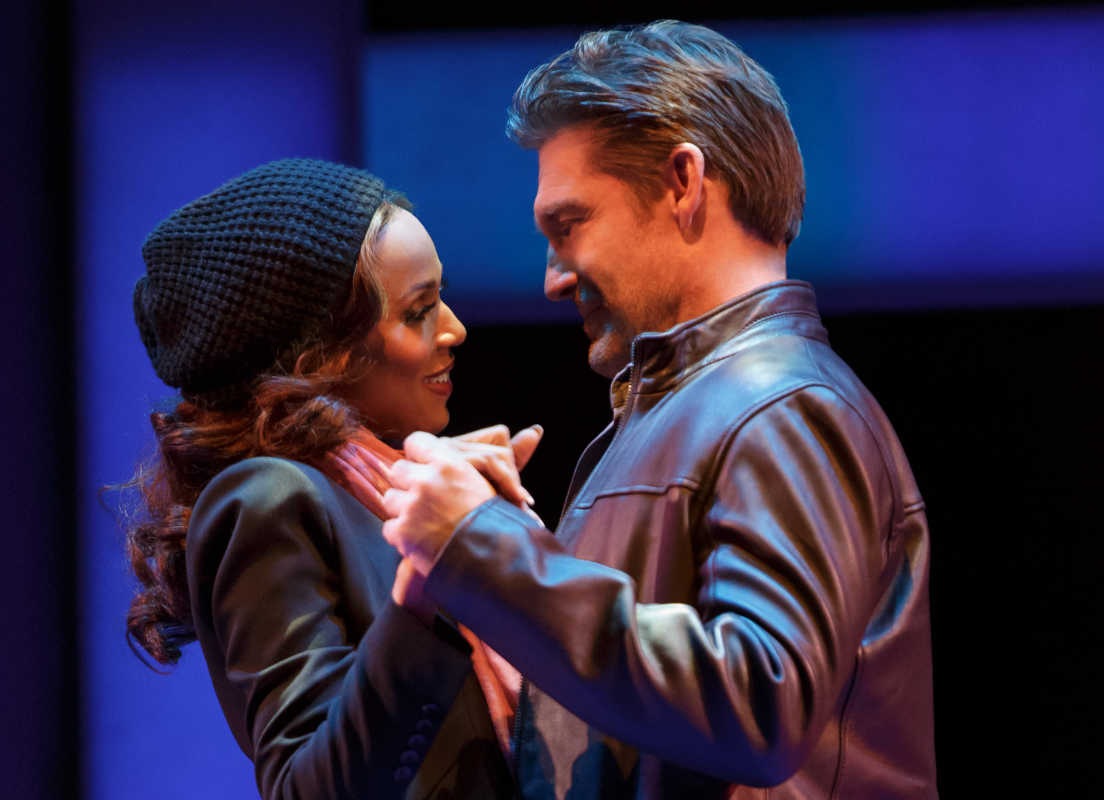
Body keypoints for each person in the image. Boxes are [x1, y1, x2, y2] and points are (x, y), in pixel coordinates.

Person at [378, 21, 938, 798]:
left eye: (568, 225)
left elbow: (761, 703)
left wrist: (483, 547)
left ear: (683, 182)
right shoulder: (692, 411)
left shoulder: (783, 406)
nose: (553, 279)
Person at [124, 158, 538, 799]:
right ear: (322, 355)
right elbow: (307, 788)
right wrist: (430, 576)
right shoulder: (266, 498)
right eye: (419, 310)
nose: (455, 328)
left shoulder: (389, 487)